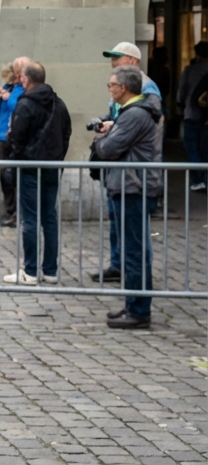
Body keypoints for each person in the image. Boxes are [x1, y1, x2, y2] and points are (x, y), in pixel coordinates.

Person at [92, 66, 162, 329]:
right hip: (129, 185)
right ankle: (133, 304)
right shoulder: (132, 112)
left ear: (124, 88)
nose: (109, 89)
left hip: (133, 187)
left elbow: (109, 149)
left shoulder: (134, 114)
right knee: (134, 249)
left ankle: (139, 310)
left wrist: (102, 136)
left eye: (111, 85)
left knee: (135, 251)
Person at [2, 62, 71, 285]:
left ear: (25, 79)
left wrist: (16, 150)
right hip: (51, 167)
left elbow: (16, 139)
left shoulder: (26, 105)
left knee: (30, 219)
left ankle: (30, 271)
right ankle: (50, 270)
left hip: (30, 167)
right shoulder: (58, 103)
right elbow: (66, 133)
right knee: (49, 217)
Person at [0, 61, 25, 226]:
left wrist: (8, 98)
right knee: (4, 175)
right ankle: (10, 210)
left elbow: (18, 107)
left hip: (14, 137)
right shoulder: (7, 87)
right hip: (2, 137)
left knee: (13, 176)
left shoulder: (20, 90)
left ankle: (18, 212)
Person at [176, 41, 208, 191]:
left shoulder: (190, 71)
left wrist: (180, 106)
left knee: (192, 147)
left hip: (193, 114)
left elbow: (181, 94)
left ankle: (198, 180)